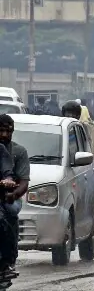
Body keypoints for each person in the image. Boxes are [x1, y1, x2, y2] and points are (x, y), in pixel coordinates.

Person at [0, 115, 30, 278]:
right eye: (1, 130)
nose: (4, 135)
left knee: (9, 214)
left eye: (7, 131)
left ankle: (7, 262)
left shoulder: (11, 152)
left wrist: (11, 189)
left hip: (6, 196)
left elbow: (11, 175)